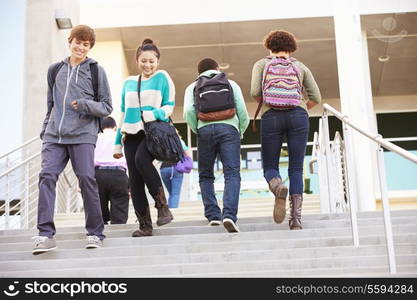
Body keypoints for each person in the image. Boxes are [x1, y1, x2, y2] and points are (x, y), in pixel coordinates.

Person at [33, 25, 113, 254]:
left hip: (82, 135)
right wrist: (44, 129)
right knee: (47, 176)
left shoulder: (97, 71)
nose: (81, 47)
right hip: (54, 136)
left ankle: (95, 233)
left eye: (86, 44)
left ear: (89, 48)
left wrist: (86, 104)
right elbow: (51, 104)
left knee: (87, 179)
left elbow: (107, 106)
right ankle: (45, 234)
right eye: (78, 42)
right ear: (70, 42)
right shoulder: (55, 70)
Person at [250, 30, 321, 230]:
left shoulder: (261, 64)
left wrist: (272, 101)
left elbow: (255, 92)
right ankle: (296, 220)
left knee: (270, 166)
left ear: (269, 46)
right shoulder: (300, 67)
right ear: (291, 48)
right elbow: (316, 96)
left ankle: (277, 186)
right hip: (298, 116)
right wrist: (299, 106)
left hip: (271, 115)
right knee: (296, 168)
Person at [113, 38, 175, 237]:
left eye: (151, 61)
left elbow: (169, 106)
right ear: (137, 60)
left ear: (157, 61)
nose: (147, 64)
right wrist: (117, 144)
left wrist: (153, 114)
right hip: (131, 135)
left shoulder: (162, 77)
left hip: (152, 132)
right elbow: (123, 114)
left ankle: (162, 206)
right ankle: (145, 225)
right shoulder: (129, 83)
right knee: (135, 180)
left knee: (142, 160)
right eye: (143, 61)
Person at [184, 58, 250, 233]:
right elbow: (242, 110)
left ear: (198, 72)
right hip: (229, 129)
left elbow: (188, 112)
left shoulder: (193, 87)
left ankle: (213, 216)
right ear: (217, 68)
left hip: (204, 130)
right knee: (232, 173)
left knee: (206, 175)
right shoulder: (230, 83)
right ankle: (229, 215)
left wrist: (198, 128)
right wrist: (239, 130)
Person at [94, 116, 129, 224]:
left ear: (101, 127)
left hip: (98, 174)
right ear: (115, 127)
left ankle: (100, 232)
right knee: (120, 207)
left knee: (98, 207)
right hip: (119, 174)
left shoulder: (94, 138)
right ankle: (118, 231)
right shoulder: (121, 138)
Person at [160, 134, 192, 209]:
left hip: (164, 169)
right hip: (176, 168)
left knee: (172, 194)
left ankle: (169, 211)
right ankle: (173, 212)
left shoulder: (162, 142)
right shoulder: (179, 141)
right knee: (175, 194)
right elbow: (187, 154)